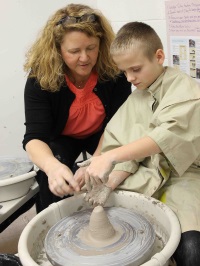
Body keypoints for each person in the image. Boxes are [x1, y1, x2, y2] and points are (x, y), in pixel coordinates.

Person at [79, 22, 200, 266]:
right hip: (145, 171)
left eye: (135, 69)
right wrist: (110, 180)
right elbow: (125, 145)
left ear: (159, 56)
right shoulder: (137, 96)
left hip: (184, 174)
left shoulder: (186, 90)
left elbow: (164, 137)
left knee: (191, 249)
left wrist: (110, 158)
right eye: (124, 72)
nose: (130, 79)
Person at [22, 4, 132, 212]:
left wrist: (98, 159)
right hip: (62, 137)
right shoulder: (41, 78)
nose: (85, 58)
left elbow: (118, 124)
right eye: (74, 51)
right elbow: (34, 138)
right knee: (50, 178)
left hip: (104, 132)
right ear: (57, 50)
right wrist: (53, 167)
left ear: (102, 43)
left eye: (91, 48)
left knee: (120, 166)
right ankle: (50, 228)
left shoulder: (114, 71)